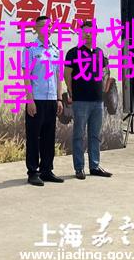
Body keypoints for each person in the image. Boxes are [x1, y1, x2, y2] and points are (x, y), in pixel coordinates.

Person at [64, 20, 113, 180]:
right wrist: (71, 92)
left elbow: (105, 72)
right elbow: (67, 74)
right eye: (84, 32)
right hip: (81, 101)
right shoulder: (73, 53)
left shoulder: (99, 52)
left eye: (91, 32)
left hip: (98, 101)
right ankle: (79, 168)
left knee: (95, 135)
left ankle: (95, 166)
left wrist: (103, 90)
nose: (88, 34)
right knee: (79, 135)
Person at [23, 16, 64, 186]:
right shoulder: (30, 49)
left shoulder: (56, 50)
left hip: (52, 99)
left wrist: (59, 98)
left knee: (49, 136)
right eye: (44, 26)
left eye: (50, 26)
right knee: (34, 137)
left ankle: (47, 170)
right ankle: (33, 172)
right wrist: (30, 100)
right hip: (36, 100)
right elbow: (26, 76)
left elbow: (59, 76)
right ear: (36, 28)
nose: (48, 28)